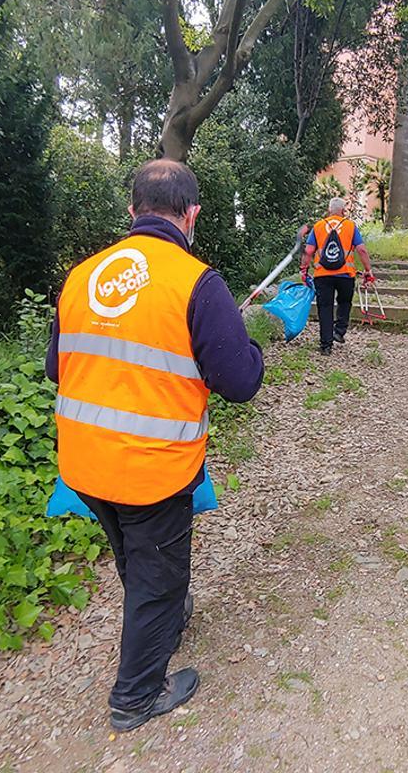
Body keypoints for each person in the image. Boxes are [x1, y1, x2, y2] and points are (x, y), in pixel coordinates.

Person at [46, 160, 264, 731]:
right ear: (191, 215)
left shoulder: (81, 276)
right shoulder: (196, 281)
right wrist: (251, 348)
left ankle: (161, 616)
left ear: (132, 211)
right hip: (151, 470)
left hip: (82, 462)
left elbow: (56, 369)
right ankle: (135, 697)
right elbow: (240, 381)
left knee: (135, 556)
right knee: (157, 575)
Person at [300, 197, 375, 354]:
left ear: (329, 210)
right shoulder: (350, 226)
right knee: (345, 302)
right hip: (345, 275)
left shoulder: (319, 226)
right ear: (343, 211)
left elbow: (308, 251)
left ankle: (326, 346)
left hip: (323, 275)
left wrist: (304, 269)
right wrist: (368, 270)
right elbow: (361, 250)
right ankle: (339, 331)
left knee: (325, 307)